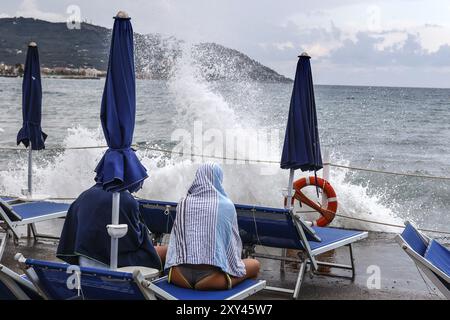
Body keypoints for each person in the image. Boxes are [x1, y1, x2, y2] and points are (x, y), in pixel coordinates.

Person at [165, 163, 260, 290]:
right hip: (212, 279)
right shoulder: (226, 205)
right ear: (218, 180)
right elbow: (231, 246)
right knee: (254, 264)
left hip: (178, 276)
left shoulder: (183, 203)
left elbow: (175, 244)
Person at [57, 184, 166, 270]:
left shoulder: (84, 195)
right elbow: (134, 242)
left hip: (84, 259)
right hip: (113, 264)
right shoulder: (127, 200)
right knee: (165, 252)